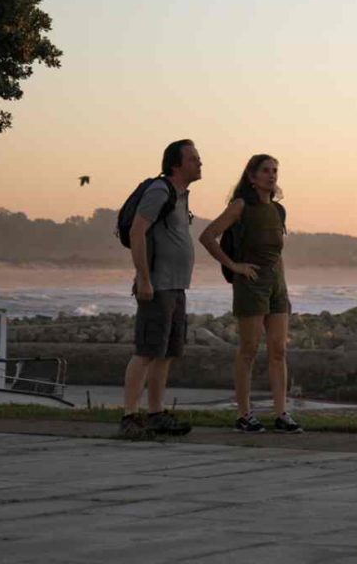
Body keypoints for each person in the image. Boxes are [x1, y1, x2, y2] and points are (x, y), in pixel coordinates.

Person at [199, 154, 302, 434]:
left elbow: (277, 254)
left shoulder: (279, 211)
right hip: (251, 283)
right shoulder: (241, 205)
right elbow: (207, 236)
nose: (272, 176)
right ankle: (244, 414)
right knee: (248, 351)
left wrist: (284, 289)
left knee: (279, 351)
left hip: (276, 285)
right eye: (266, 171)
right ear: (252, 176)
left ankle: (282, 413)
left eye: (275, 171)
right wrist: (233, 265)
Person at [119, 139, 202, 439]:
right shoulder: (160, 190)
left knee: (166, 352)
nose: (200, 163)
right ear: (176, 164)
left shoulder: (181, 195)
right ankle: (129, 415)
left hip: (176, 285)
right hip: (158, 284)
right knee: (146, 351)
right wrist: (144, 278)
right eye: (193, 159)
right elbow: (137, 230)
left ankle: (155, 413)